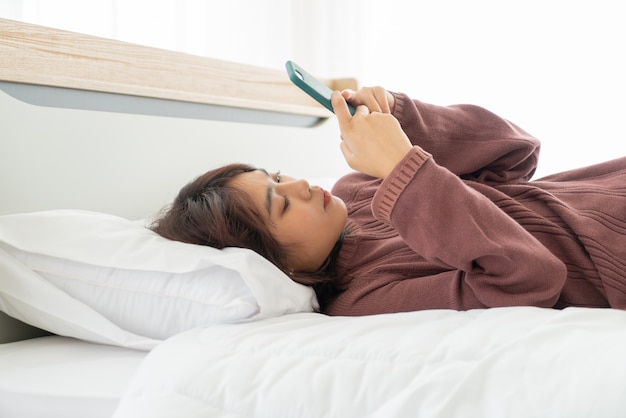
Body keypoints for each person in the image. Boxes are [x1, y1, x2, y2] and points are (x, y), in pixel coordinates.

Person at [151, 87, 626, 315]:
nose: (298, 186)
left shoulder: (353, 189)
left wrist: (406, 122)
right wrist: (407, 172)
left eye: (277, 176)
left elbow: (515, 153)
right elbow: (530, 279)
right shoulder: (365, 297)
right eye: (281, 204)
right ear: (282, 268)